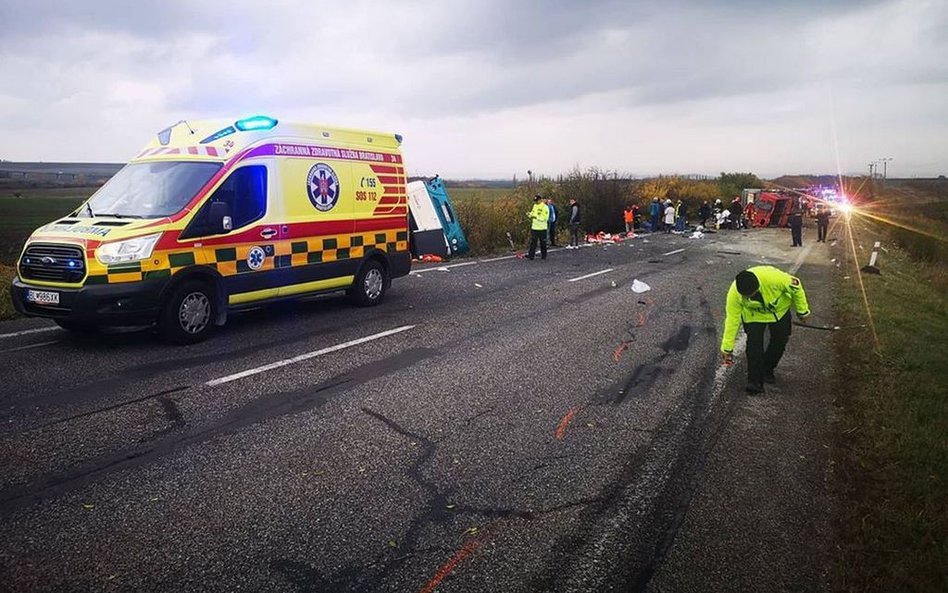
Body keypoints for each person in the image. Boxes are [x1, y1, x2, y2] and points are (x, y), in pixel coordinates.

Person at [720, 266, 811, 394]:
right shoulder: (734, 294)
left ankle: (767, 369)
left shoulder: (775, 279)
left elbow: (796, 288)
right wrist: (727, 348)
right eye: (746, 296)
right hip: (754, 316)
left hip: (779, 311)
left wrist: (802, 311)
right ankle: (754, 383)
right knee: (754, 346)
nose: (749, 297)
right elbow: (732, 320)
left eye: (751, 294)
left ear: (757, 287)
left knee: (780, 341)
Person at [527, 194, 550, 260]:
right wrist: (529, 214)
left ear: (540, 200)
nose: (536, 202)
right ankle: (531, 256)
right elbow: (533, 213)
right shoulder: (535, 206)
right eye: (535, 201)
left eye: (537, 201)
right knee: (533, 242)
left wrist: (536, 217)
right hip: (534, 227)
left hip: (542, 228)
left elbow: (546, 218)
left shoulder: (545, 207)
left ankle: (544, 255)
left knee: (543, 243)